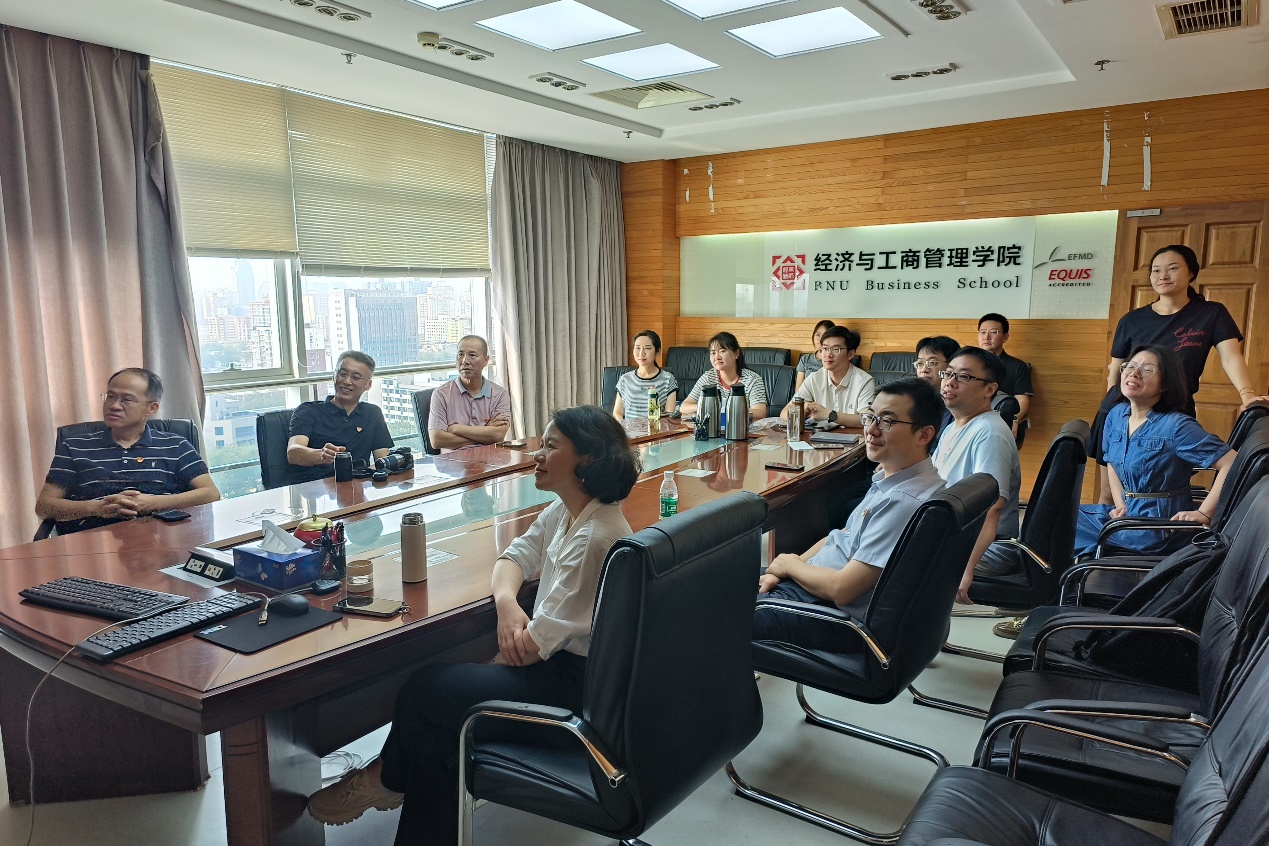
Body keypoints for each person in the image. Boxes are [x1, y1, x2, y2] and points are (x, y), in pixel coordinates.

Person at [306, 406, 641, 845]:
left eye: (551, 446)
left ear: (587, 460)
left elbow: (526, 652)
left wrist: (504, 649)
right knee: (438, 732)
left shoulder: (596, 537)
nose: (537, 454)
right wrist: (507, 604)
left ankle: (385, 778)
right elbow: (514, 558)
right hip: (557, 669)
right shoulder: (569, 511)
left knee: (426, 690)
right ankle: (386, 782)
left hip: (572, 693)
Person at [753, 378, 945, 650]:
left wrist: (789, 566)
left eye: (887, 422)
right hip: (812, 586)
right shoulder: (896, 480)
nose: (871, 430)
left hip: (833, 616)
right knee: (720, 581)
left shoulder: (904, 501)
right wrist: (785, 569)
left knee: (712, 607)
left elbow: (841, 589)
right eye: (871, 417)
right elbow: (839, 536)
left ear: (924, 435)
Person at [1094, 245, 1267, 501]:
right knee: (1110, 493)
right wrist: (1115, 409)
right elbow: (1115, 370)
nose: (1162, 276)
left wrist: (1247, 395)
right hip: (1124, 411)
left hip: (1172, 410)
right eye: (1156, 270)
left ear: (1191, 273)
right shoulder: (1131, 320)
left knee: (1163, 489)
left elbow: (1231, 356)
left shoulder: (1211, 313)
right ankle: (1112, 527)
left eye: (1172, 268)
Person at [1075, 345, 1235, 559]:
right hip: (1127, 519)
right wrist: (1121, 504)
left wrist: (1204, 513)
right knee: (1055, 517)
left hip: (1157, 529)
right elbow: (1111, 461)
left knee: (1060, 528)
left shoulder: (1176, 426)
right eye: (1130, 366)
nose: (1134, 373)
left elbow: (1232, 462)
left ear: (1166, 383)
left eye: (1147, 369)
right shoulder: (1116, 414)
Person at [35, 368, 220, 533]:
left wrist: (150, 503)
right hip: (93, 543)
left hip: (163, 540)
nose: (114, 405)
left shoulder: (176, 445)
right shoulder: (74, 446)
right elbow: (44, 506)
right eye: (110, 396)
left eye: (127, 400)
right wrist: (97, 508)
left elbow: (211, 493)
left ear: (152, 408)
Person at [932, 347, 1022, 604]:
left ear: (989, 389)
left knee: (888, 557)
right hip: (954, 534)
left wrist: (966, 566)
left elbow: (992, 507)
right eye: (948, 373)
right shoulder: (954, 424)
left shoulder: (989, 433)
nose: (950, 382)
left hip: (986, 547)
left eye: (963, 377)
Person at [287, 351, 394, 481]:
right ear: (334, 377)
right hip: (316, 487)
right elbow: (293, 453)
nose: (347, 381)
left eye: (356, 377)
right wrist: (321, 454)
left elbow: (383, 460)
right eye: (343, 374)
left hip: (357, 486)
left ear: (368, 385)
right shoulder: (308, 411)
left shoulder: (372, 413)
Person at [427, 335, 512, 452]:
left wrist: (456, 428)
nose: (464, 361)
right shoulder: (441, 394)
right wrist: (485, 433)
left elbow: (498, 435)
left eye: (472, 355)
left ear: (486, 360)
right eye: (460, 354)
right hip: (454, 461)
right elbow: (436, 441)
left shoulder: (500, 394)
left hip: (491, 459)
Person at [782, 326, 875, 427]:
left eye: (836, 349)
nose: (828, 354)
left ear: (850, 354)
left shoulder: (864, 381)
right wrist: (802, 411)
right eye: (825, 348)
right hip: (820, 436)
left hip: (852, 436)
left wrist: (830, 415)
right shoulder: (814, 378)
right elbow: (784, 413)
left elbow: (867, 420)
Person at [679, 331, 769, 420]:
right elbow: (684, 407)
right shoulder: (708, 377)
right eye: (713, 353)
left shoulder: (752, 379)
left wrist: (726, 409)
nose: (717, 357)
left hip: (741, 427)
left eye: (722, 351)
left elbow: (760, 412)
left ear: (736, 354)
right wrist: (708, 407)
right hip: (713, 427)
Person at [978, 313, 1033, 447]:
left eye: (994, 332)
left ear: (1005, 337)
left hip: (1000, 420)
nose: (986, 337)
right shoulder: (968, 363)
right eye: (983, 332)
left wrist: (1013, 420)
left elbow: (1022, 401)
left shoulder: (1017, 366)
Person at [612, 329, 678, 420]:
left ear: (658, 351)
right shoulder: (625, 379)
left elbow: (669, 415)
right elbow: (617, 413)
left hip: (657, 428)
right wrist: (623, 426)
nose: (641, 353)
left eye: (647, 348)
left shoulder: (668, 379)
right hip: (629, 428)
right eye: (637, 348)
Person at [915, 335, 960, 434]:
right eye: (920, 363)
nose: (924, 370)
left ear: (951, 365)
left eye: (932, 363)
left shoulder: (958, 406)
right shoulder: (911, 400)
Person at [794, 319, 836, 392]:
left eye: (825, 335)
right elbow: (798, 390)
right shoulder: (805, 359)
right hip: (806, 398)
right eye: (818, 335)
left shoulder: (836, 360)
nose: (820, 339)